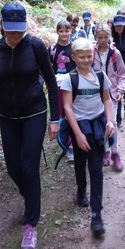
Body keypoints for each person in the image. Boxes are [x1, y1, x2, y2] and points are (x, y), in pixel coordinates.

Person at [0, 3, 59, 249]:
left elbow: (52, 83)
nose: (14, 35)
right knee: (13, 167)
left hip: (35, 113)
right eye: (10, 30)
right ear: (1, 25)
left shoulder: (36, 46)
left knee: (29, 166)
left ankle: (31, 222)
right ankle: (31, 196)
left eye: (18, 30)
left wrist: (56, 119)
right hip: (7, 116)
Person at [60, 37, 115, 236]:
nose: (85, 60)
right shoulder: (70, 79)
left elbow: (107, 100)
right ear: (73, 57)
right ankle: (81, 189)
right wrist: (78, 134)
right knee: (80, 162)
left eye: (89, 56)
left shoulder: (100, 76)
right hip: (80, 126)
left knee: (96, 169)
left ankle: (96, 215)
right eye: (81, 57)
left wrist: (110, 121)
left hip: (98, 124)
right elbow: (67, 107)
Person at [93, 24, 125, 171]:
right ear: (96, 37)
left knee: (111, 123)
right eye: (100, 37)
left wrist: (121, 89)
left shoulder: (115, 54)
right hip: (95, 94)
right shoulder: (91, 52)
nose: (103, 40)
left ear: (109, 37)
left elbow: (122, 73)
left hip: (112, 94)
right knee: (99, 125)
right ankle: (104, 151)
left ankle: (115, 153)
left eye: (105, 37)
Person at [48, 19, 76, 162]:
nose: (64, 33)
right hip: (57, 86)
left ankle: (72, 145)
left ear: (71, 31)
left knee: (71, 112)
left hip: (71, 86)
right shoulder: (52, 49)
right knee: (61, 115)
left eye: (67, 30)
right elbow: (48, 67)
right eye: (61, 31)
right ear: (57, 31)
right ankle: (63, 141)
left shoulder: (74, 48)